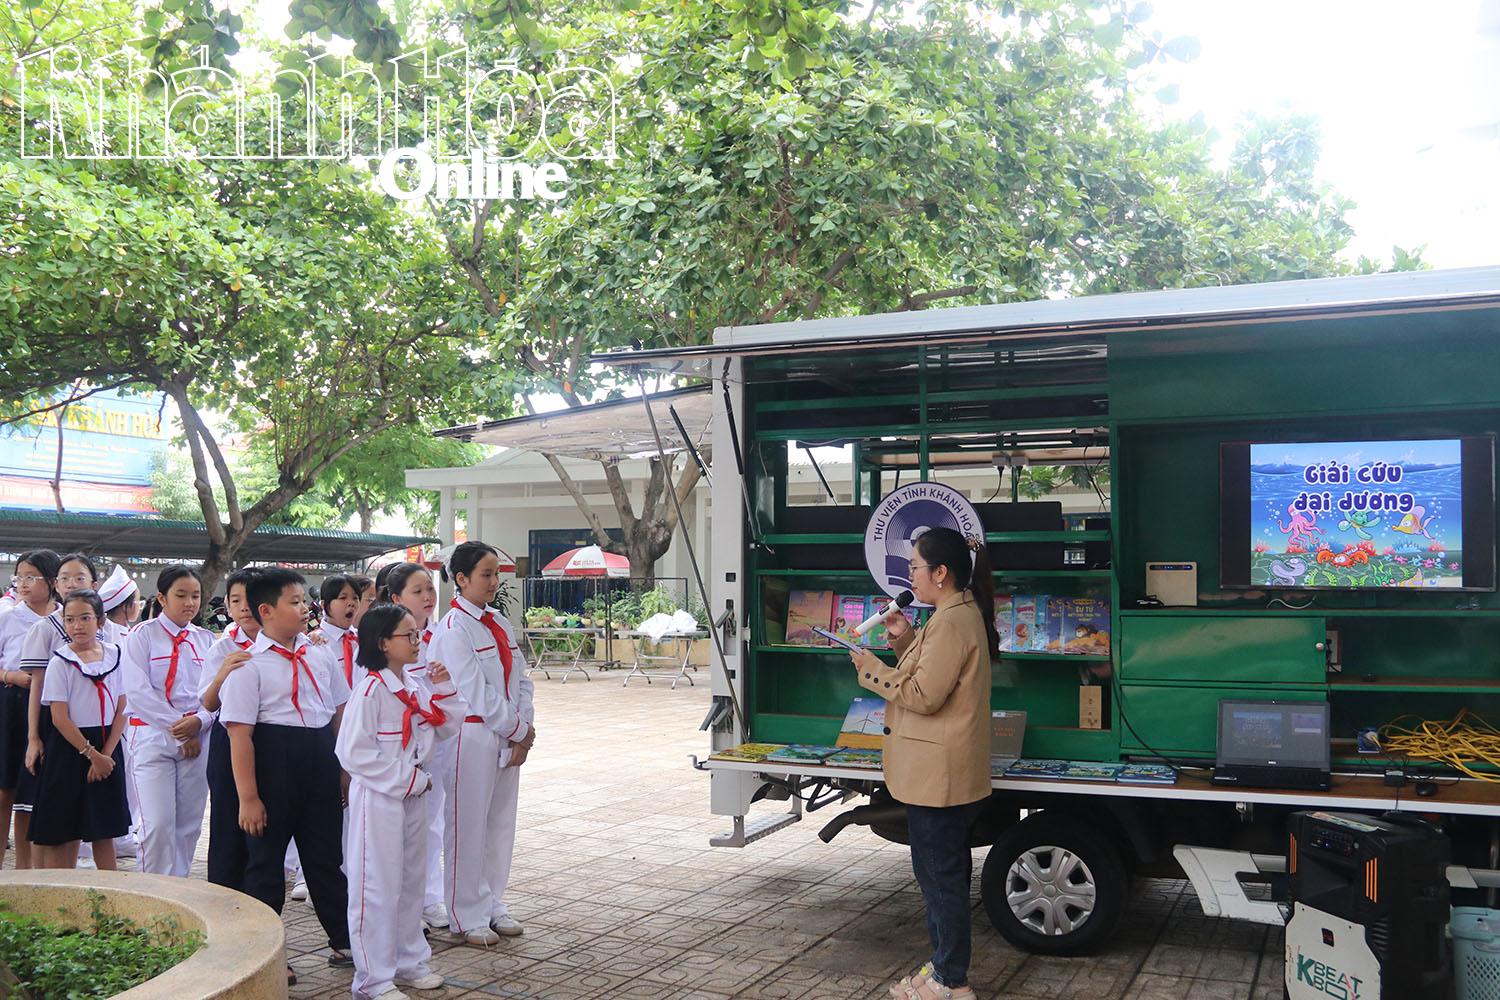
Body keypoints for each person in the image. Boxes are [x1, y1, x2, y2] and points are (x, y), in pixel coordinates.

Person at [847, 527, 997, 1000]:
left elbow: (923, 695)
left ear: (940, 573)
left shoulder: (953, 621)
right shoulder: (950, 615)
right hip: (939, 774)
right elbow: (927, 670)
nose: (909, 575)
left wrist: (869, 667)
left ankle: (951, 981)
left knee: (942, 883)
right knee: (940, 878)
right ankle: (942, 969)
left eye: (914, 567)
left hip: (939, 779)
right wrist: (902, 638)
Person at [220, 568, 353, 975]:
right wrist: (248, 797)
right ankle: (269, 954)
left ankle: (345, 940)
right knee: (265, 865)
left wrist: (344, 769)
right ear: (266, 611)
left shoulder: (320, 653)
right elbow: (239, 735)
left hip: (319, 762)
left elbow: (338, 712)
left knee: (326, 859)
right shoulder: (248, 666)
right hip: (273, 765)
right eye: (294, 602)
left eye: (305, 600)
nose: (305, 608)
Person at [338, 603, 460, 1000]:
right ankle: (373, 980)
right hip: (381, 799)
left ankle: (409, 961)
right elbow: (353, 754)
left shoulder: (413, 685)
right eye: (408, 634)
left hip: (413, 795)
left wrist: (443, 688)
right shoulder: (371, 689)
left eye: (417, 632)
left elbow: (443, 727)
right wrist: (407, 779)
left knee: (410, 881)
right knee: (376, 886)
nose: (418, 639)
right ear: (382, 643)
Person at [430, 542, 534, 945]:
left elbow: (521, 679)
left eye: (496, 574)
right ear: (461, 579)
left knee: (499, 823)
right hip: (470, 737)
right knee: (467, 825)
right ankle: (465, 912)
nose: (494, 582)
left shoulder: (498, 623)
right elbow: (475, 692)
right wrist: (517, 729)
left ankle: (493, 902)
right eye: (486, 575)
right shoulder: (454, 629)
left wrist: (524, 726)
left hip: (506, 735)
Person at [120, 565, 214, 877]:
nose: (190, 602)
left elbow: (216, 694)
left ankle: (180, 891)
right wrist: (180, 729)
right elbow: (137, 692)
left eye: (195, 596)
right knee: (157, 824)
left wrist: (199, 723)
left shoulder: (205, 641)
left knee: (188, 826)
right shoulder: (141, 636)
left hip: (197, 739)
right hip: (153, 736)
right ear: (162, 598)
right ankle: (153, 894)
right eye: (181, 595)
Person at [29, 589, 129, 871]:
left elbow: (123, 705)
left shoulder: (116, 655)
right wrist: (91, 755)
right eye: (70, 620)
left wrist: (106, 753)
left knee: (103, 827)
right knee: (64, 826)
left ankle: (111, 897)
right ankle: (62, 890)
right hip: (70, 747)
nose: (77, 626)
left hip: (107, 745)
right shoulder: (60, 662)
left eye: (85, 618)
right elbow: (59, 717)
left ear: (100, 620)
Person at [382, 562, 451, 932]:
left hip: (432, 750)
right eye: (417, 591)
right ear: (396, 598)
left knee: (431, 825)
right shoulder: (381, 642)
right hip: (393, 756)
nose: (428, 597)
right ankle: (397, 908)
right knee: (392, 834)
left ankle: (429, 898)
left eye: (430, 589)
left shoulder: (442, 634)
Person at [18, 552, 102, 855]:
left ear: (94, 583)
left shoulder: (97, 627)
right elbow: (36, 687)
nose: (71, 584)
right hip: (53, 722)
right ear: (55, 583)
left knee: (83, 810)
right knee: (50, 807)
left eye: (79, 577)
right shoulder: (45, 628)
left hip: (91, 726)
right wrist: (33, 737)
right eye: (64, 578)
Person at [199, 568, 261, 890]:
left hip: (267, 739)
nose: (244, 607)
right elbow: (208, 703)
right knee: (227, 821)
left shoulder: (291, 641)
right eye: (235, 600)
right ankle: (224, 894)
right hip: (229, 739)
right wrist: (223, 672)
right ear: (226, 603)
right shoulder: (222, 647)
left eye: (250, 598)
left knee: (263, 825)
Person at [0, 550, 61, 869]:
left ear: (52, 581)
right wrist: (12, 676)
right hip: (11, 704)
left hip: (52, 709)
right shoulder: (8, 616)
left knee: (32, 796)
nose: (22, 583)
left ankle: (27, 871)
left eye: (30, 577)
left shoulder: (65, 616)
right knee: (4, 790)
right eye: (19, 576)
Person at [320, 575, 363, 687]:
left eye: (355, 598)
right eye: (343, 598)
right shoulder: (315, 643)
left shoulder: (364, 639)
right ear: (325, 605)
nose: (351, 603)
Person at [98, 565, 141, 644]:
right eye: (138, 601)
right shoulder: (110, 635)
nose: (139, 607)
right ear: (124, 606)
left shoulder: (127, 632)